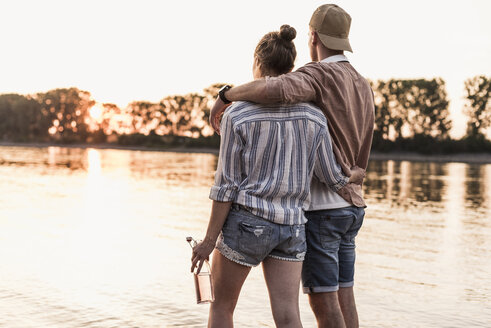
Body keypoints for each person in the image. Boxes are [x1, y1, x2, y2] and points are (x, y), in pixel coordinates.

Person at [208, 4, 374, 328]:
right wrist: (351, 176)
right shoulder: (361, 82)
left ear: (313, 36)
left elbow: (277, 87)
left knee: (324, 303)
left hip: (323, 208)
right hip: (352, 205)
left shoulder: (318, 74)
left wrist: (226, 96)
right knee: (344, 296)